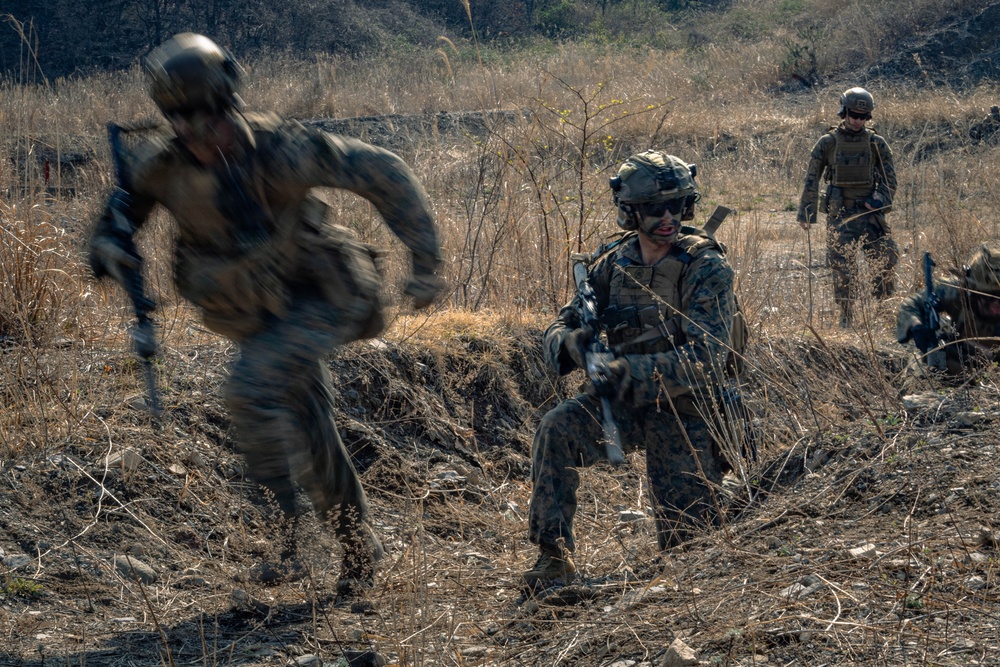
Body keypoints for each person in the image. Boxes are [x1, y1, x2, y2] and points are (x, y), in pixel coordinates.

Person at [88, 34, 443, 596]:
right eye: (180, 121)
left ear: (227, 105)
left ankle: (292, 538)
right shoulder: (163, 167)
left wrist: (425, 263)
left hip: (329, 297)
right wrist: (110, 246)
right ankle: (356, 547)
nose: (195, 134)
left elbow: (384, 171)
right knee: (306, 419)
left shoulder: (283, 150)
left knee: (251, 386)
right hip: (258, 313)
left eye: (206, 119)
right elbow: (120, 214)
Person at [523, 150, 739, 587]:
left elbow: (707, 357)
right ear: (630, 212)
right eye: (653, 208)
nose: (667, 217)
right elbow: (560, 324)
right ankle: (553, 558)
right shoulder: (611, 262)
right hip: (621, 403)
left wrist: (625, 370)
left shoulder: (705, 266)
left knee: (690, 555)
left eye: (677, 205)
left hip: (686, 410)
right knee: (555, 428)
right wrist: (568, 344)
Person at [797, 86, 898, 328]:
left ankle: (885, 314)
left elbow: (890, 180)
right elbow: (812, 178)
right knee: (842, 269)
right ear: (844, 112)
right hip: (840, 215)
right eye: (853, 114)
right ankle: (846, 317)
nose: (857, 120)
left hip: (870, 215)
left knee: (885, 260)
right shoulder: (827, 143)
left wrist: (878, 200)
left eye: (863, 117)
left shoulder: (876, 143)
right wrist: (807, 214)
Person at [897, 244, 1000, 385]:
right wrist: (916, 326)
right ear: (972, 289)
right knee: (920, 365)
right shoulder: (957, 292)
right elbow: (911, 304)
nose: (996, 305)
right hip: (957, 362)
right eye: (988, 298)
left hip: (992, 374)